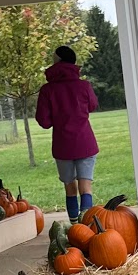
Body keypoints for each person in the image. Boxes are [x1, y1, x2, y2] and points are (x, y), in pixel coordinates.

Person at [35, 45, 100, 221]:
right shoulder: (84, 86)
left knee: (70, 188)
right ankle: (86, 227)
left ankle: (74, 228)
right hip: (85, 142)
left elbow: (44, 121)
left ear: (57, 61)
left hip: (63, 145)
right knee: (86, 188)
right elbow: (92, 106)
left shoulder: (47, 90)